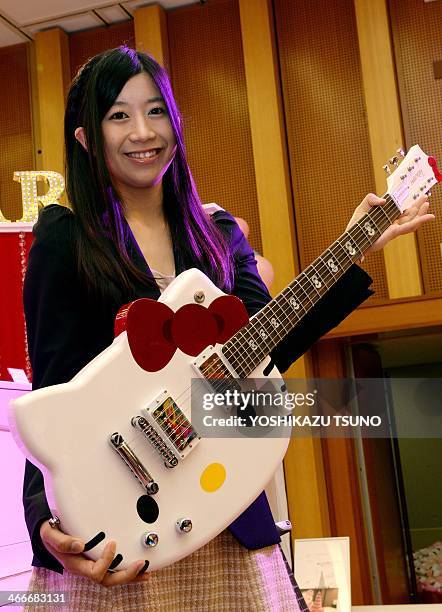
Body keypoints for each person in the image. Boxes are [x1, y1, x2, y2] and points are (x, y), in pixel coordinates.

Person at [22, 46, 433, 611]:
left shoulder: (216, 234)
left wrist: (353, 247)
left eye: (156, 111)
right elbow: (52, 396)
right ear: (86, 137)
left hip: (224, 520)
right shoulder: (66, 240)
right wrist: (47, 519)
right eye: (118, 115)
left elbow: (265, 348)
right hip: (115, 539)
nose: (142, 131)